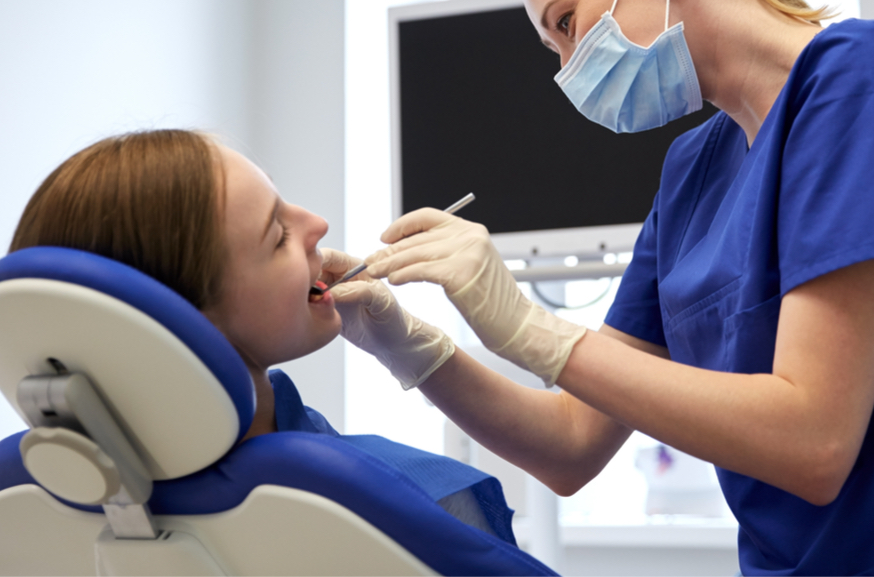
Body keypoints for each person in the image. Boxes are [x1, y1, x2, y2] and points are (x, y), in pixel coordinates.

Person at [323, 0, 874, 574]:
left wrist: (528, 326)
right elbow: (573, 442)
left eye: (568, 23)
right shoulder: (693, 172)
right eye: (553, 49)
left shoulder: (863, 79)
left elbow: (814, 442)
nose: (567, 70)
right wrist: (410, 348)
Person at [7, 129, 515, 542]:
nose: (317, 223)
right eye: (277, 236)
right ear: (178, 328)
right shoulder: (412, 501)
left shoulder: (21, 499)